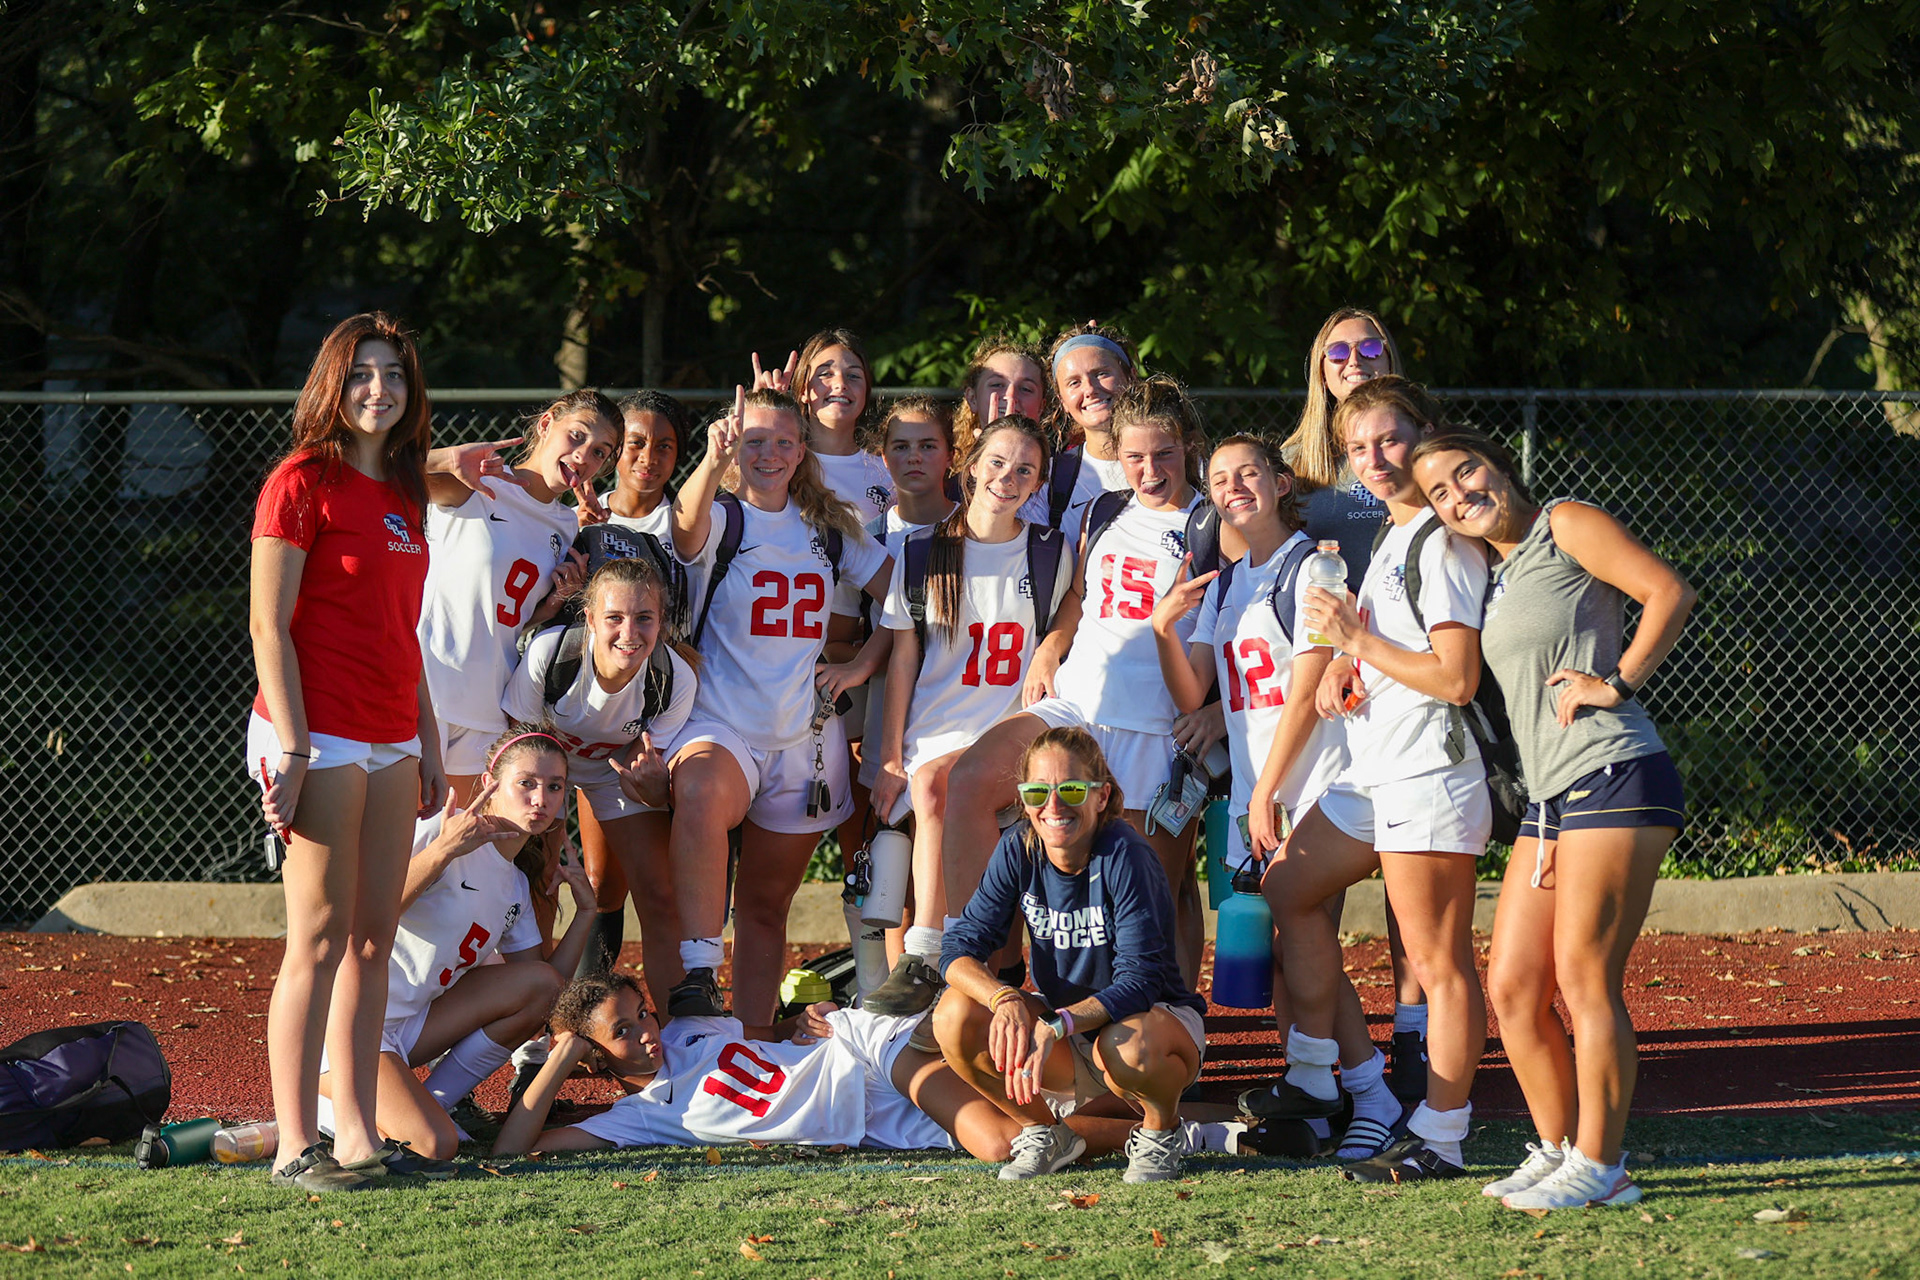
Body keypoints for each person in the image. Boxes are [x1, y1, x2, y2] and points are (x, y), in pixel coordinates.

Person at [1412, 430, 1694, 1211]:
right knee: (1512, 986)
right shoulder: (1491, 574)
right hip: (1550, 797)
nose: (1458, 493)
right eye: (1439, 492)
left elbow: (1668, 592)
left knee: (1584, 978)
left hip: (1614, 770)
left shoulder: (1563, 522)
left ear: (1499, 463)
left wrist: (1617, 682)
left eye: (1465, 471)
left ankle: (1603, 1167)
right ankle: (1560, 1148)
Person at [1253, 376, 1491, 1181]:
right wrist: (1349, 668)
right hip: (1375, 768)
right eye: (1358, 448)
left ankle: (1443, 1134)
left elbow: (1457, 679)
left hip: (1430, 770)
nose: (1375, 459)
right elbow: (1399, 654)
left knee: (1439, 963)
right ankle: (1334, 1079)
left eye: (1389, 440)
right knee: (1287, 887)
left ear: (1423, 436)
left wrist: (1356, 637)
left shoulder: (1442, 540)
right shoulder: (1391, 538)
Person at [248, 311, 445, 1192]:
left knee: (374, 943)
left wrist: (428, 741)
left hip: (391, 734)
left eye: (395, 376)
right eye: (363, 373)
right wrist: (290, 745)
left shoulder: (405, 495)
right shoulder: (300, 480)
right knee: (318, 942)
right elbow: (267, 624)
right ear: (335, 382)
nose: (380, 389)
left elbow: (405, 632)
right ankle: (296, 1145)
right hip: (314, 733)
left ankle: (356, 1136)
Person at [940, 375, 1212, 985]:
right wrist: (1052, 647)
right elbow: (1081, 596)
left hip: (1156, 725)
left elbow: (1244, 626)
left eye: (1163, 454)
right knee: (971, 780)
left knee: (1151, 898)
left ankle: (1168, 1036)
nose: (1148, 470)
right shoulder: (1103, 508)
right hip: (1077, 706)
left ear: (1189, 447)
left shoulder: (1215, 523)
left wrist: (1217, 715)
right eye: (1134, 456)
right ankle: (987, 970)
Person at [665, 387, 892, 1026]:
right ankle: (699, 970)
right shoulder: (721, 513)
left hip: (805, 736)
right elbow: (682, 536)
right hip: (722, 719)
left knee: (767, 906)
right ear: (734, 446)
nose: (767, 453)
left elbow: (903, 604)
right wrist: (710, 463)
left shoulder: (827, 526)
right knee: (703, 793)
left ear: (801, 451)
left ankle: (756, 1039)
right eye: (753, 440)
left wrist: (861, 664)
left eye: (782, 441)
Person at [863, 415, 1071, 1016]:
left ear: (1037, 484)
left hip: (1007, 740)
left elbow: (1074, 616)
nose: (1008, 477)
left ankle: (933, 954)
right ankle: (943, 972)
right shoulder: (923, 551)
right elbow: (903, 659)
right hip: (933, 735)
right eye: (998, 462)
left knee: (942, 786)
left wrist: (1052, 645)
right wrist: (891, 756)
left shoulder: (1049, 551)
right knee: (926, 795)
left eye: (1025, 469)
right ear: (971, 465)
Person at [935, 727, 1209, 1183]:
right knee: (954, 1016)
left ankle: (1162, 1133)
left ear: (1101, 796)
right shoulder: (1019, 848)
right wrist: (1003, 999)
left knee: (1128, 1048)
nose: (1054, 806)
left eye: (1072, 790)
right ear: (1022, 799)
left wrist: (1056, 1023)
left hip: (1151, 1022)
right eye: (1038, 791)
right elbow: (957, 950)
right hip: (1068, 1031)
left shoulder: (1127, 855)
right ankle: (1045, 1132)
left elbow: (1140, 983)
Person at [315, 728, 598, 1167]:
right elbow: (362, 920)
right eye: (526, 783)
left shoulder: (517, 886)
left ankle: (427, 1103)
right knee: (434, 1147)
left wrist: (585, 916)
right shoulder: (438, 830)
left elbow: (547, 990)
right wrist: (444, 850)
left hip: (409, 1029)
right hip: (350, 1022)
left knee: (539, 984)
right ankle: (327, 1115)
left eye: (554, 786)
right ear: (490, 785)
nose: (541, 798)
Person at [1283, 307, 1429, 1094]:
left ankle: (1417, 1036)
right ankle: (1331, 1057)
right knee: (1314, 884)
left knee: (1414, 875)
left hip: (1411, 682)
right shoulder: (1297, 470)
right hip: (1326, 694)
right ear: (1317, 364)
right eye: (1334, 347)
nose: (1352, 358)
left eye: (1368, 345)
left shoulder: (1426, 458)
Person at [501, 558, 699, 1009]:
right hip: (542, 774)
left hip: (615, 777)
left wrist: (654, 788)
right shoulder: (551, 656)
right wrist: (547, 818)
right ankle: (531, 1027)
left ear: (661, 622)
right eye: (614, 617)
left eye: (644, 618)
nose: (629, 633)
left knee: (658, 895)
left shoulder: (673, 679)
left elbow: (647, 775)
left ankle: (679, 1031)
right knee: (540, 883)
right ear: (589, 619)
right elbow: (520, 755)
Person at [1149, 434, 1346, 883]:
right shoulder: (1223, 584)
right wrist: (1162, 630)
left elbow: (1307, 692)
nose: (1232, 486)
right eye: (1219, 480)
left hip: (1308, 786)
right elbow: (1191, 694)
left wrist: (1267, 791)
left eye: (1247, 473)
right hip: (1249, 791)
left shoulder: (1312, 567)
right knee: (1247, 943)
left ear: (1280, 484)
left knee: (1298, 933)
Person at [417, 389, 623, 807]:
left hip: (490, 699)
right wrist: (448, 458)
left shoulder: (566, 525)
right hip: (428, 689)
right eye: (577, 436)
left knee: (462, 850)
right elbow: (386, 472)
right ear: (546, 423)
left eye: (601, 452)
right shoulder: (479, 481)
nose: (585, 456)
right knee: (406, 843)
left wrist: (551, 605)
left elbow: (510, 618)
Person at [570, 390, 694, 974]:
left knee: (675, 880)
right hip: (599, 719)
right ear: (615, 450)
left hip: (682, 712)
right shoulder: (577, 517)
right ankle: (586, 1011)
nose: (648, 456)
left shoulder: (697, 521)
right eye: (636, 443)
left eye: (665, 446)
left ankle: (692, 1010)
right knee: (602, 880)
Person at [953, 335, 1049, 461]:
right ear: (972, 398)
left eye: (1026, 389)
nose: (1011, 396)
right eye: (997, 385)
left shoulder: (1061, 470)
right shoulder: (944, 465)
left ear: (1041, 407)